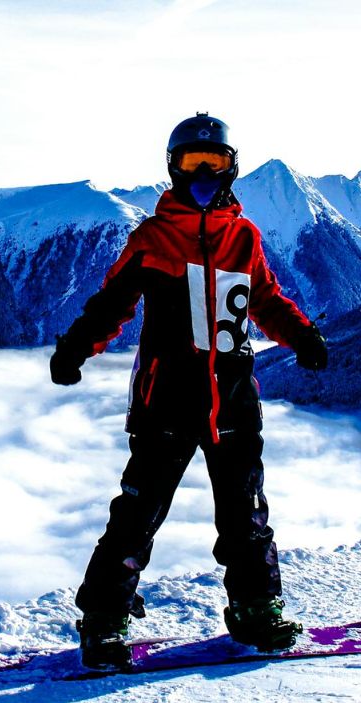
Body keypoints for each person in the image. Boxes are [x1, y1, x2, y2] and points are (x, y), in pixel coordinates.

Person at [50, 112, 329, 671]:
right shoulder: (153, 239)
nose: (203, 173)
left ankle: (256, 608)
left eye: (215, 162)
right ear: (173, 169)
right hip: (167, 398)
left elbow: (266, 299)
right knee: (137, 513)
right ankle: (105, 619)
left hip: (232, 395)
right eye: (191, 162)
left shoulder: (243, 238)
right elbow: (113, 302)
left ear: (232, 169)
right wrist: (75, 348)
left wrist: (301, 336)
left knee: (245, 511)